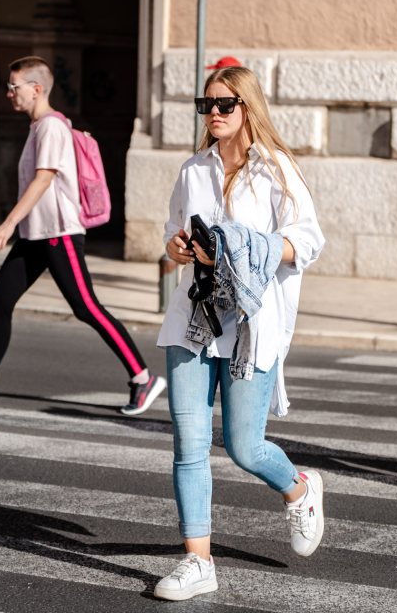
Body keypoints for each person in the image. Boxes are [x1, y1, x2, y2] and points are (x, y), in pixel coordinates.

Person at [152, 66, 326, 602]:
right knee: (188, 444)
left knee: (245, 447)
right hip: (195, 319)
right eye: (207, 105)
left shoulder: (276, 171)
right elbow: (170, 235)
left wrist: (248, 246)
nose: (214, 114)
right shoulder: (192, 169)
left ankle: (300, 491)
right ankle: (197, 562)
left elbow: (309, 242)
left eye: (225, 105)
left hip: (251, 326)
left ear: (247, 107)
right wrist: (176, 249)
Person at [0, 57, 164, 416]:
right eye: (9, 87)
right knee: (1, 300)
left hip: (59, 234)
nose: (9, 93)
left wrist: (8, 224)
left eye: (14, 87)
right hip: (36, 235)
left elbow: (44, 178)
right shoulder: (39, 126)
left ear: (36, 89)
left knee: (86, 307)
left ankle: (142, 377)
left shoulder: (52, 127)